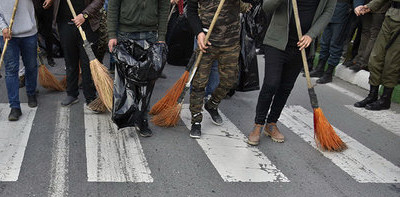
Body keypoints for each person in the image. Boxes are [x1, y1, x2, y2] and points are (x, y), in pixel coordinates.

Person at [246, 0, 336, 145]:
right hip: (277, 41)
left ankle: (272, 123)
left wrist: (311, 35)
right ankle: (258, 125)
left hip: (301, 45)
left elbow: (327, 12)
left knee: (286, 87)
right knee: (271, 83)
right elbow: (266, 7)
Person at [186, 0, 253, 138]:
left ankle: (212, 104)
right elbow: (191, 11)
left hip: (230, 43)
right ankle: (196, 120)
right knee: (199, 83)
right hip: (207, 41)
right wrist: (198, 33)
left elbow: (252, 2)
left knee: (230, 80)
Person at [108, 0, 170, 137]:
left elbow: (164, 6)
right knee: (125, 81)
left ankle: (142, 120)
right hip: (125, 34)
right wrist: (112, 34)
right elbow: (113, 5)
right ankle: (125, 115)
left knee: (146, 83)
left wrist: (161, 36)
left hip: (151, 35)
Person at [0, 0, 38, 121]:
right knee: (11, 69)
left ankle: (31, 92)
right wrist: (2, 25)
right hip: (6, 32)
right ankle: (14, 106)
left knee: (32, 65)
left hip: (29, 30)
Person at [46, 0, 104, 107]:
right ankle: (72, 94)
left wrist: (84, 15)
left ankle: (90, 97)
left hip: (88, 24)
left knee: (88, 63)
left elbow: (99, 1)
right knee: (70, 62)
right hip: (65, 24)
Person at [353, 0, 399, 110]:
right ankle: (372, 95)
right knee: (375, 57)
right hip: (390, 16)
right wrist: (369, 7)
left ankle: (385, 100)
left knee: (392, 62)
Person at [309, 0, 353, 84]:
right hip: (331, 10)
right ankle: (319, 69)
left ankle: (328, 73)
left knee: (335, 44)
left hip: (343, 11)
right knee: (324, 42)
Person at [33, 0, 56, 66]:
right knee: (33, 32)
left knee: (48, 32)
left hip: (47, 5)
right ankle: (35, 58)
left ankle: (50, 57)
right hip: (34, 5)